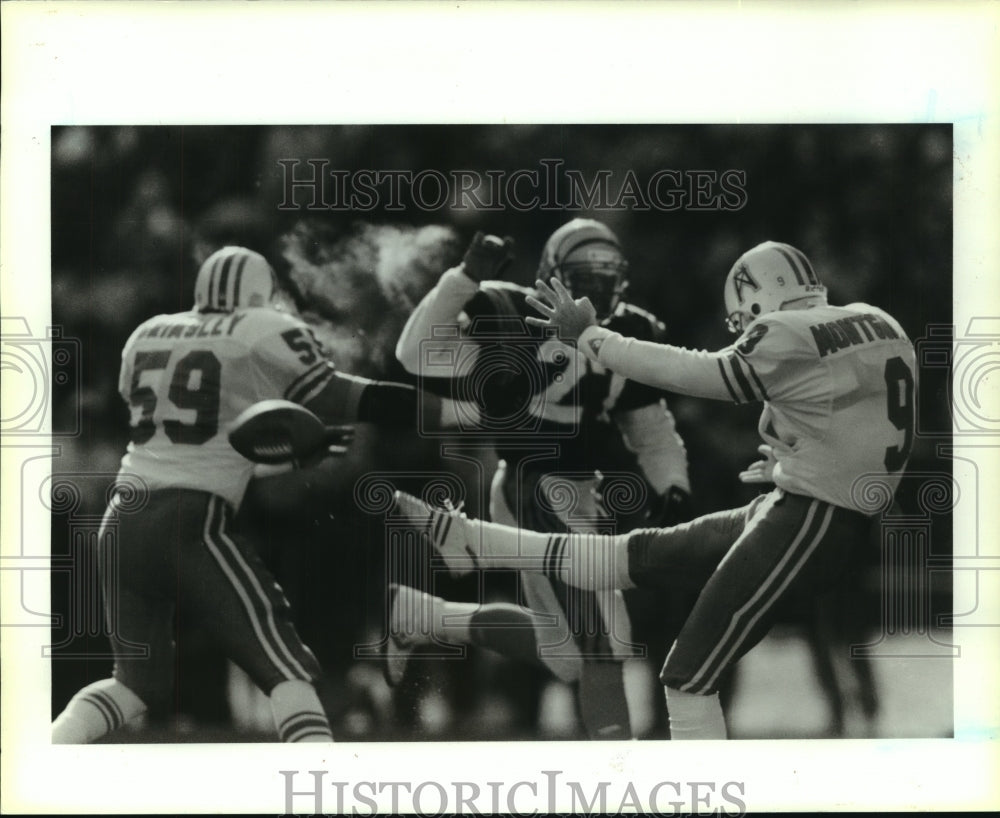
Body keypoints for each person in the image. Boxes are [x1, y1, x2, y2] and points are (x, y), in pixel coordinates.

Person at [394, 240, 916, 739]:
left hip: (807, 515)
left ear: (757, 296)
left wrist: (592, 337)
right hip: (806, 510)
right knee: (627, 570)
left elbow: (697, 375)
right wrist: (806, 459)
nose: (596, 284)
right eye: (583, 273)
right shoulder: (879, 321)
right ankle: (467, 546)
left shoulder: (772, 332)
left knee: (665, 667)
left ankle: (693, 794)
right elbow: (861, 420)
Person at [51, 245, 473, 744]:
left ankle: (50, 755)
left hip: (122, 521)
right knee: (287, 667)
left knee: (133, 684)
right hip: (191, 520)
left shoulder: (148, 333)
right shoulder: (260, 330)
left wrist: (291, 457)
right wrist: (459, 413)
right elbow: (346, 397)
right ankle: (321, 783)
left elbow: (193, 445)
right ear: (260, 293)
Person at [391, 220, 693, 739]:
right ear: (551, 275)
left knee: (569, 654)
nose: (596, 289)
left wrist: (672, 482)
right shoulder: (508, 313)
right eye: (582, 275)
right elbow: (414, 353)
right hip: (536, 485)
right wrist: (462, 279)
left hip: (580, 490)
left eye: (606, 276)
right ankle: (616, 777)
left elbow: (649, 426)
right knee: (604, 639)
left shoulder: (629, 331)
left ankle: (430, 617)